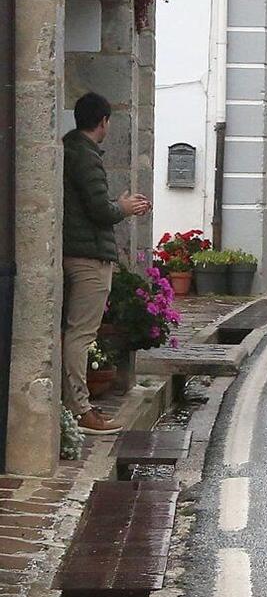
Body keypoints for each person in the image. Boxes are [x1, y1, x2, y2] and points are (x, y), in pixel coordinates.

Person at [62, 92, 151, 435]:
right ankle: (80, 408)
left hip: (79, 250)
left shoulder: (74, 151)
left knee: (76, 333)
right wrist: (124, 208)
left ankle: (77, 404)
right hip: (88, 257)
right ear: (102, 122)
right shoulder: (86, 156)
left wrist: (119, 204)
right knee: (81, 334)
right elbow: (100, 210)